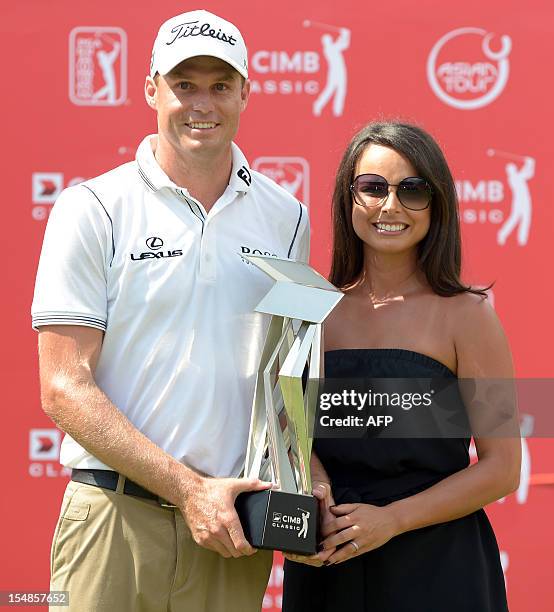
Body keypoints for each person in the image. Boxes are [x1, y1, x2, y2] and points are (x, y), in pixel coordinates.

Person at [32, 9, 309, 612]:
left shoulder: (287, 218)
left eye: (219, 85)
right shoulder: (92, 208)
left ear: (245, 93)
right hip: (112, 518)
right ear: (152, 89)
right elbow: (61, 385)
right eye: (185, 84)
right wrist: (188, 490)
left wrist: (305, 480)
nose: (201, 103)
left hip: (231, 532)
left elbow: (287, 380)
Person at [282, 121, 519, 612]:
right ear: (349, 198)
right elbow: (289, 432)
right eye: (373, 187)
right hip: (329, 558)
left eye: (412, 190)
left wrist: (392, 520)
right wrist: (316, 485)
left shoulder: (468, 316)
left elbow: (502, 469)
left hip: (437, 568)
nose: (390, 206)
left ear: (438, 205)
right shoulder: (308, 308)